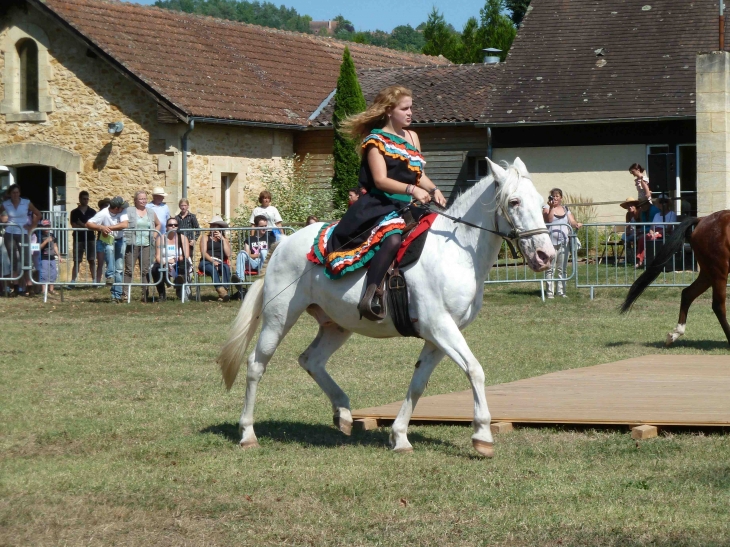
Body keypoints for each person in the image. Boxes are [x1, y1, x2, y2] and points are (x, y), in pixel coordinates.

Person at [322, 85, 446, 320]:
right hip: (380, 205)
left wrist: (434, 189)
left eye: (411, 108)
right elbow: (380, 180)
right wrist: (413, 189)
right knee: (393, 239)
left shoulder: (412, 137)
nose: (411, 113)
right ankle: (371, 294)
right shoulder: (375, 140)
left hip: (407, 205)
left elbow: (417, 172)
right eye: (405, 108)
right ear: (389, 110)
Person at [86, 196, 129, 302]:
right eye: (121, 207)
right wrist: (100, 227)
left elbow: (124, 224)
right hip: (108, 240)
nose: (123, 209)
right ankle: (109, 275)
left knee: (119, 268)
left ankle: (117, 295)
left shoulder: (123, 212)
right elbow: (88, 223)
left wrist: (109, 228)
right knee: (109, 250)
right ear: (116, 208)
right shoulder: (103, 213)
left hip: (119, 239)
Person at [2, 184, 41, 296]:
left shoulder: (26, 202)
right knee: (13, 260)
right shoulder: (6, 204)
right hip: (9, 233)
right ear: (10, 193)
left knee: (26, 260)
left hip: (23, 233)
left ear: (20, 193)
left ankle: (30, 287)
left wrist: (31, 227)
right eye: (13, 192)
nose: (15, 195)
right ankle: (16, 287)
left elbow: (38, 214)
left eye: (17, 192)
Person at [543, 188, 582, 299]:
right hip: (550, 243)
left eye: (557, 196)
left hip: (564, 242)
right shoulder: (546, 208)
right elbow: (549, 220)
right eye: (553, 196)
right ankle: (550, 292)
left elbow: (572, 221)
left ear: (561, 198)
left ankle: (561, 291)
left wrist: (576, 224)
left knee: (562, 268)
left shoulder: (565, 209)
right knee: (550, 268)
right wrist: (551, 207)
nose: (555, 198)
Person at [124, 190, 160, 302]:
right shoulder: (129, 210)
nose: (143, 201)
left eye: (145, 198)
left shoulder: (150, 211)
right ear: (135, 200)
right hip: (132, 244)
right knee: (129, 269)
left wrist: (154, 235)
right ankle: (125, 294)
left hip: (147, 244)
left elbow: (158, 224)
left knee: (145, 270)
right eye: (141, 199)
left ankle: (145, 294)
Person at [150, 217, 190, 301]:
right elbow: (157, 256)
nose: (173, 227)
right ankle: (162, 294)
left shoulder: (182, 238)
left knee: (184, 264)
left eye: (175, 225)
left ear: (178, 227)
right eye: (170, 225)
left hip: (178, 260)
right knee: (155, 269)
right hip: (164, 261)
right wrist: (165, 262)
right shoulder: (161, 239)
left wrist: (177, 259)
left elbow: (186, 255)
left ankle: (180, 286)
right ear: (166, 227)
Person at [199, 215, 231, 301]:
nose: (213, 228)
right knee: (212, 269)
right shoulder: (205, 238)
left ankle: (224, 292)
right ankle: (222, 292)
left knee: (226, 267)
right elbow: (203, 252)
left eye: (216, 226)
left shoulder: (224, 240)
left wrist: (223, 240)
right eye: (212, 226)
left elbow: (228, 254)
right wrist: (212, 261)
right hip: (206, 261)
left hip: (220, 262)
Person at [69, 190, 97, 285]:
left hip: (90, 238)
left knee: (92, 259)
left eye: (87, 199)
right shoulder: (74, 212)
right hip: (78, 239)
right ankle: (73, 281)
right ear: (80, 199)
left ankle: (94, 281)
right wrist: (86, 226)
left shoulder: (92, 212)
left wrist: (81, 224)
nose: (86, 200)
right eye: (84, 199)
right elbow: (74, 226)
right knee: (77, 260)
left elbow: (94, 225)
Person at [37, 219, 63, 295]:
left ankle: (51, 290)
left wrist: (59, 255)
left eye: (48, 226)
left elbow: (55, 246)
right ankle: (43, 290)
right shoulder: (39, 235)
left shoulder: (52, 235)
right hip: (44, 257)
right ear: (41, 227)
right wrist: (45, 241)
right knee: (44, 274)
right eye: (45, 226)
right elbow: (39, 247)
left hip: (52, 257)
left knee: (53, 273)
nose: (47, 228)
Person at [94, 198, 111, 285]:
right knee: (100, 262)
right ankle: (98, 282)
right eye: (105, 205)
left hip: (110, 240)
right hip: (100, 240)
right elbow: (95, 225)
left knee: (110, 262)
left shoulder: (112, 215)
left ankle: (109, 280)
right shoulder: (99, 215)